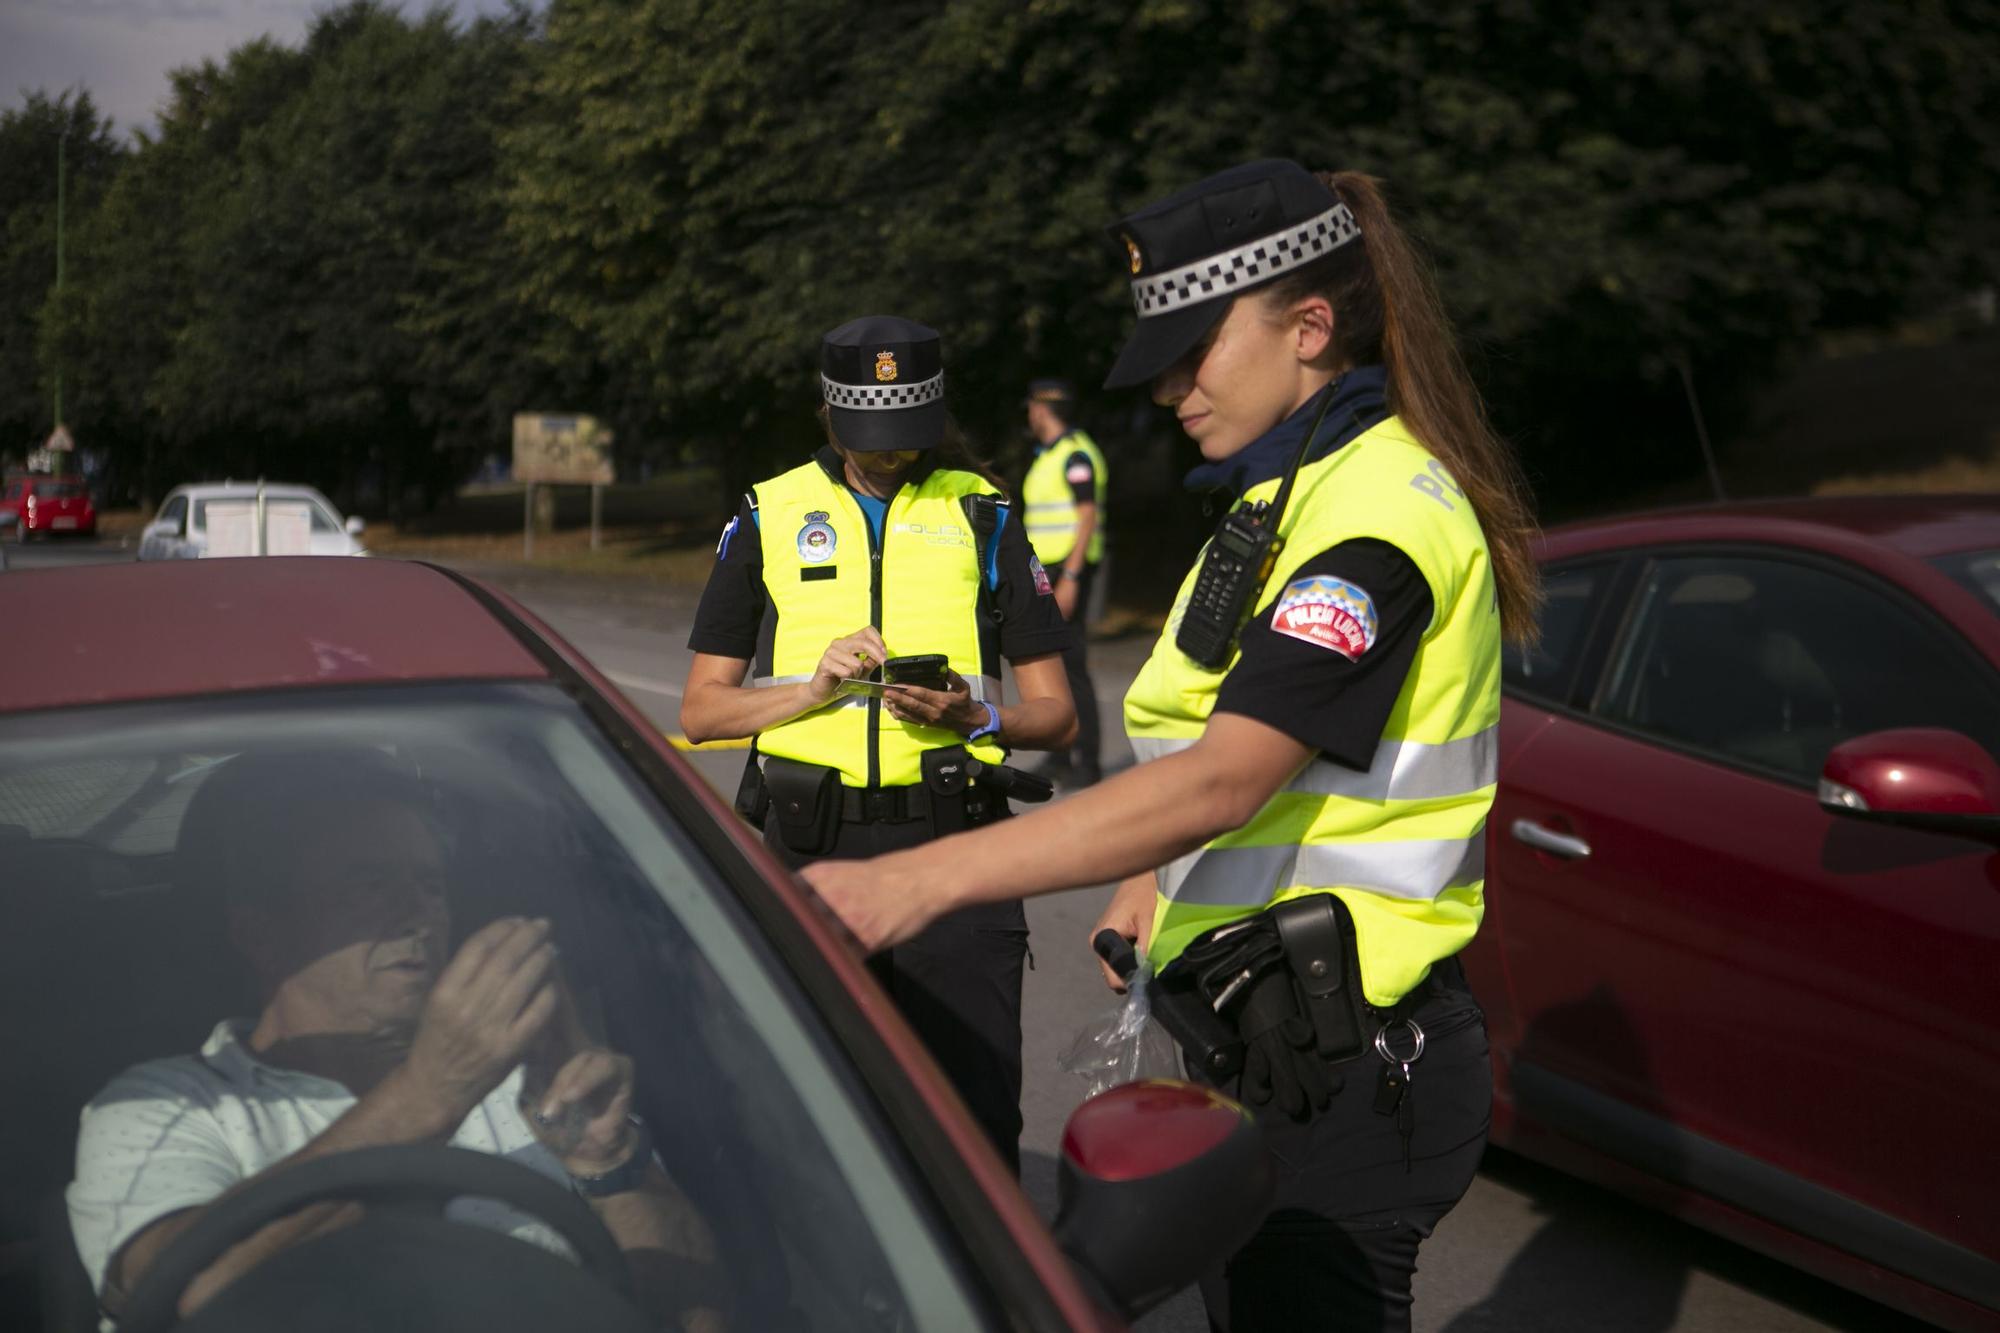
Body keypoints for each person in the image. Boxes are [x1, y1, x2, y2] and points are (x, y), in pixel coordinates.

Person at [803, 161, 1541, 1332]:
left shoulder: (1375, 518)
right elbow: (1209, 737)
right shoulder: (1273, 496)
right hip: (1271, 1031)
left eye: (1193, 353)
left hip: (1351, 1068)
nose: (1166, 393)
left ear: (1308, 327)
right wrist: (1150, 879)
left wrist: (901, 884)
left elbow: (1225, 774)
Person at [66, 751, 723, 1330]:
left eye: (431, 886)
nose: (418, 914)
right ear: (261, 931)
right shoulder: (165, 1107)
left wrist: (605, 1156)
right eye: (370, 884)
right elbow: (180, 1296)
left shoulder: (523, 1090)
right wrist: (433, 1091)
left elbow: (700, 1315)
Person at [679, 315, 1076, 1173]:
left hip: (957, 849)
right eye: (871, 440)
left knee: (970, 1132)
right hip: (813, 852)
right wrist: (809, 691)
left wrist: (975, 716)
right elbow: (703, 713)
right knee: (810, 1121)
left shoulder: (984, 512)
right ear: (828, 412)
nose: (889, 457)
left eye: (906, 438)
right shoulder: (768, 513)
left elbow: (1058, 715)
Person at [1021, 378, 1110, 787]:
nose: (1029, 414)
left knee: (1072, 666)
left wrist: (1071, 576)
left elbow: (1087, 515)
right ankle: (1059, 755)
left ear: (1041, 410)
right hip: (1048, 568)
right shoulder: (1051, 455)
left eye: (1031, 408)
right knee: (1051, 663)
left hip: (1067, 569)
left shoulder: (1075, 455)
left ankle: (1087, 763)